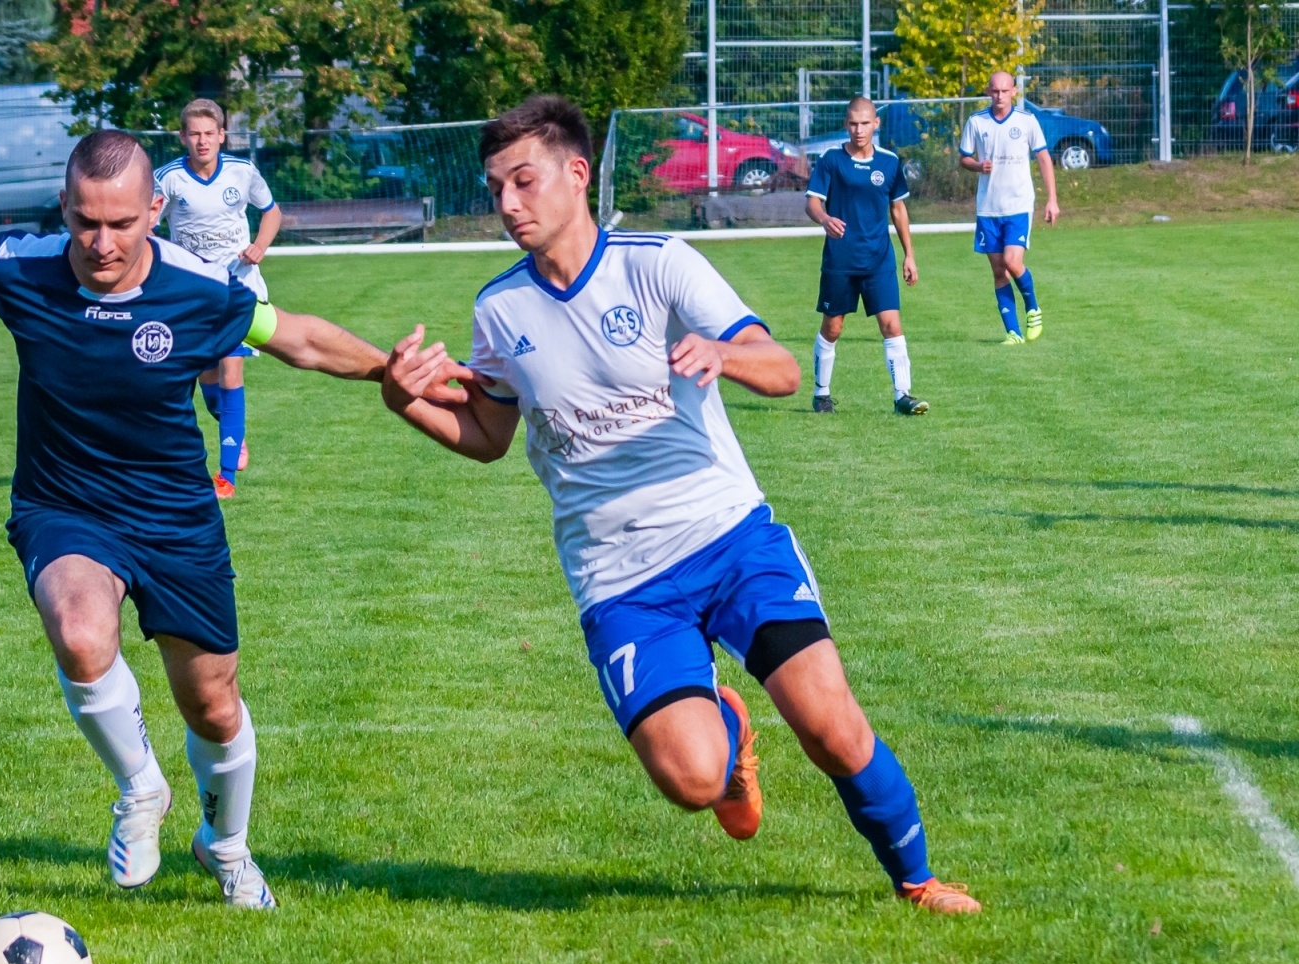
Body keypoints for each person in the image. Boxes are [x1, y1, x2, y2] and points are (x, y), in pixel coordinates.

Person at [381, 95, 979, 914]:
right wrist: (404, 400)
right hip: (620, 581)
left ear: (577, 174)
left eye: (523, 182)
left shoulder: (657, 260)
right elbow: (487, 434)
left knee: (830, 726)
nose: (507, 205)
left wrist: (724, 353)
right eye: (496, 189)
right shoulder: (500, 308)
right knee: (692, 781)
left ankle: (918, 882)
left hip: (729, 538)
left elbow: (782, 370)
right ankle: (730, 742)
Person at [0, 130, 441, 907]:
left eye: (122, 223)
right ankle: (140, 791)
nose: (102, 242)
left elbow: (294, 335)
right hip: (64, 503)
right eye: (85, 222)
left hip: (174, 514)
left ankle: (225, 848)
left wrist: (385, 369)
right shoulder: (22, 267)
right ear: (63, 208)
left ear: (154, 210)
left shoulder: (198, 286)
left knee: (212, 703)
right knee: (77, 631)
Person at [154, 98, 284, 498]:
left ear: (222, 135)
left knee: (231, 371)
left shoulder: (243, 172)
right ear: (183, 137)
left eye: (210, 133)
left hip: (239, 287)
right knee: (205, 374)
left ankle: (226, 475)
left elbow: (272, 212)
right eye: (194, 133)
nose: (202, 141)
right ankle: (232, 428)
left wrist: (260, 245)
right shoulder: (168, 179)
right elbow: (144, 221)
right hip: (192, 292)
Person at [804, 98, 927, 416]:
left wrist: (909, 255)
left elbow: (898, 209)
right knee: (833, 328)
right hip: (841, 260)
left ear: (876, 124)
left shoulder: (889, 163)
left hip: (878, 260)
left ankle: (903, 397)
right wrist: (825, 219)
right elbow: (813, 202)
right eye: (853, 123)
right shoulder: (831, 160)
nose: (859, 129)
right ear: (847, 124)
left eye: (865, 123)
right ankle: (822, 394)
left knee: (892, 325)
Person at [959, 71, 1061, 344]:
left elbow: (1043, 158)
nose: (999, 96)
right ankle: (1013, 333)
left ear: (1014, 91)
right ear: (988, 91)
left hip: (1018, 205)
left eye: (1004, 91)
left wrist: (1052, 199)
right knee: (998, 271)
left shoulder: (1026, 121)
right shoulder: (976, 122)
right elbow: (964, 158)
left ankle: (1033, 308)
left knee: (1012, 262)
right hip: (988, 208)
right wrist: (978, 165)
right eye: (994, 91)